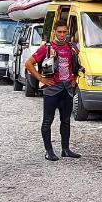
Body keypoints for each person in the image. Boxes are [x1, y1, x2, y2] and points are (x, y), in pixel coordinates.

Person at [26, 20, 83, 162]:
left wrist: (74, 79)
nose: (62, 35)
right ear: (55, 32)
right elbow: (28, 63)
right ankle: (49, 151)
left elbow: (76, 66)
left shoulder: (72, 48)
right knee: (47, 121)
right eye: (59, 32)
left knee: (66, 121)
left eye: (64, 32)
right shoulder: (46, 48)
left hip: (67, 90)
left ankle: (65, 149)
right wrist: (41, 79)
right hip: (52, 90)